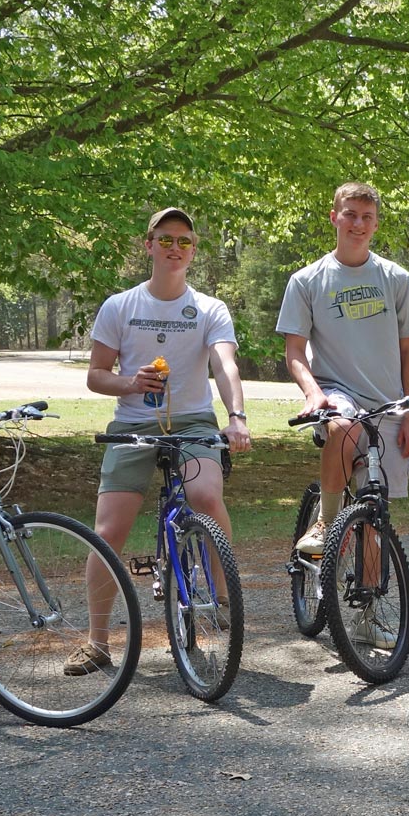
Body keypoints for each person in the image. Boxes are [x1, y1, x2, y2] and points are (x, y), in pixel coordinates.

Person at [65, 208, 252, 677]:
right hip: (133, 422)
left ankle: (224, 595)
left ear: (193, 250)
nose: (175, 248)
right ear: (148, 245)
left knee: (206, 495)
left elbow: (225, 365)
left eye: (185, 241)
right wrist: (130, 383)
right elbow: (95, 376)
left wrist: (237, 417)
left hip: (191, 422)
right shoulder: (120, 306)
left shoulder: (210, 308)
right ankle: (97, 641)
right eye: (165, 239)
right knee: (107, 533)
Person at [279, 182, 409, 651]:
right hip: (338, 395)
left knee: (371, 512)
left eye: (367, 216)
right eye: (350, 214)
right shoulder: (307, 280)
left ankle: (364, 614)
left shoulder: (396, 279)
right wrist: (312, 393)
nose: (358, 223)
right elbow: (295, 351)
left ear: (376, 222)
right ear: (334, 217)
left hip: (388, 406)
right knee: (342, 426)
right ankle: (324, 521)